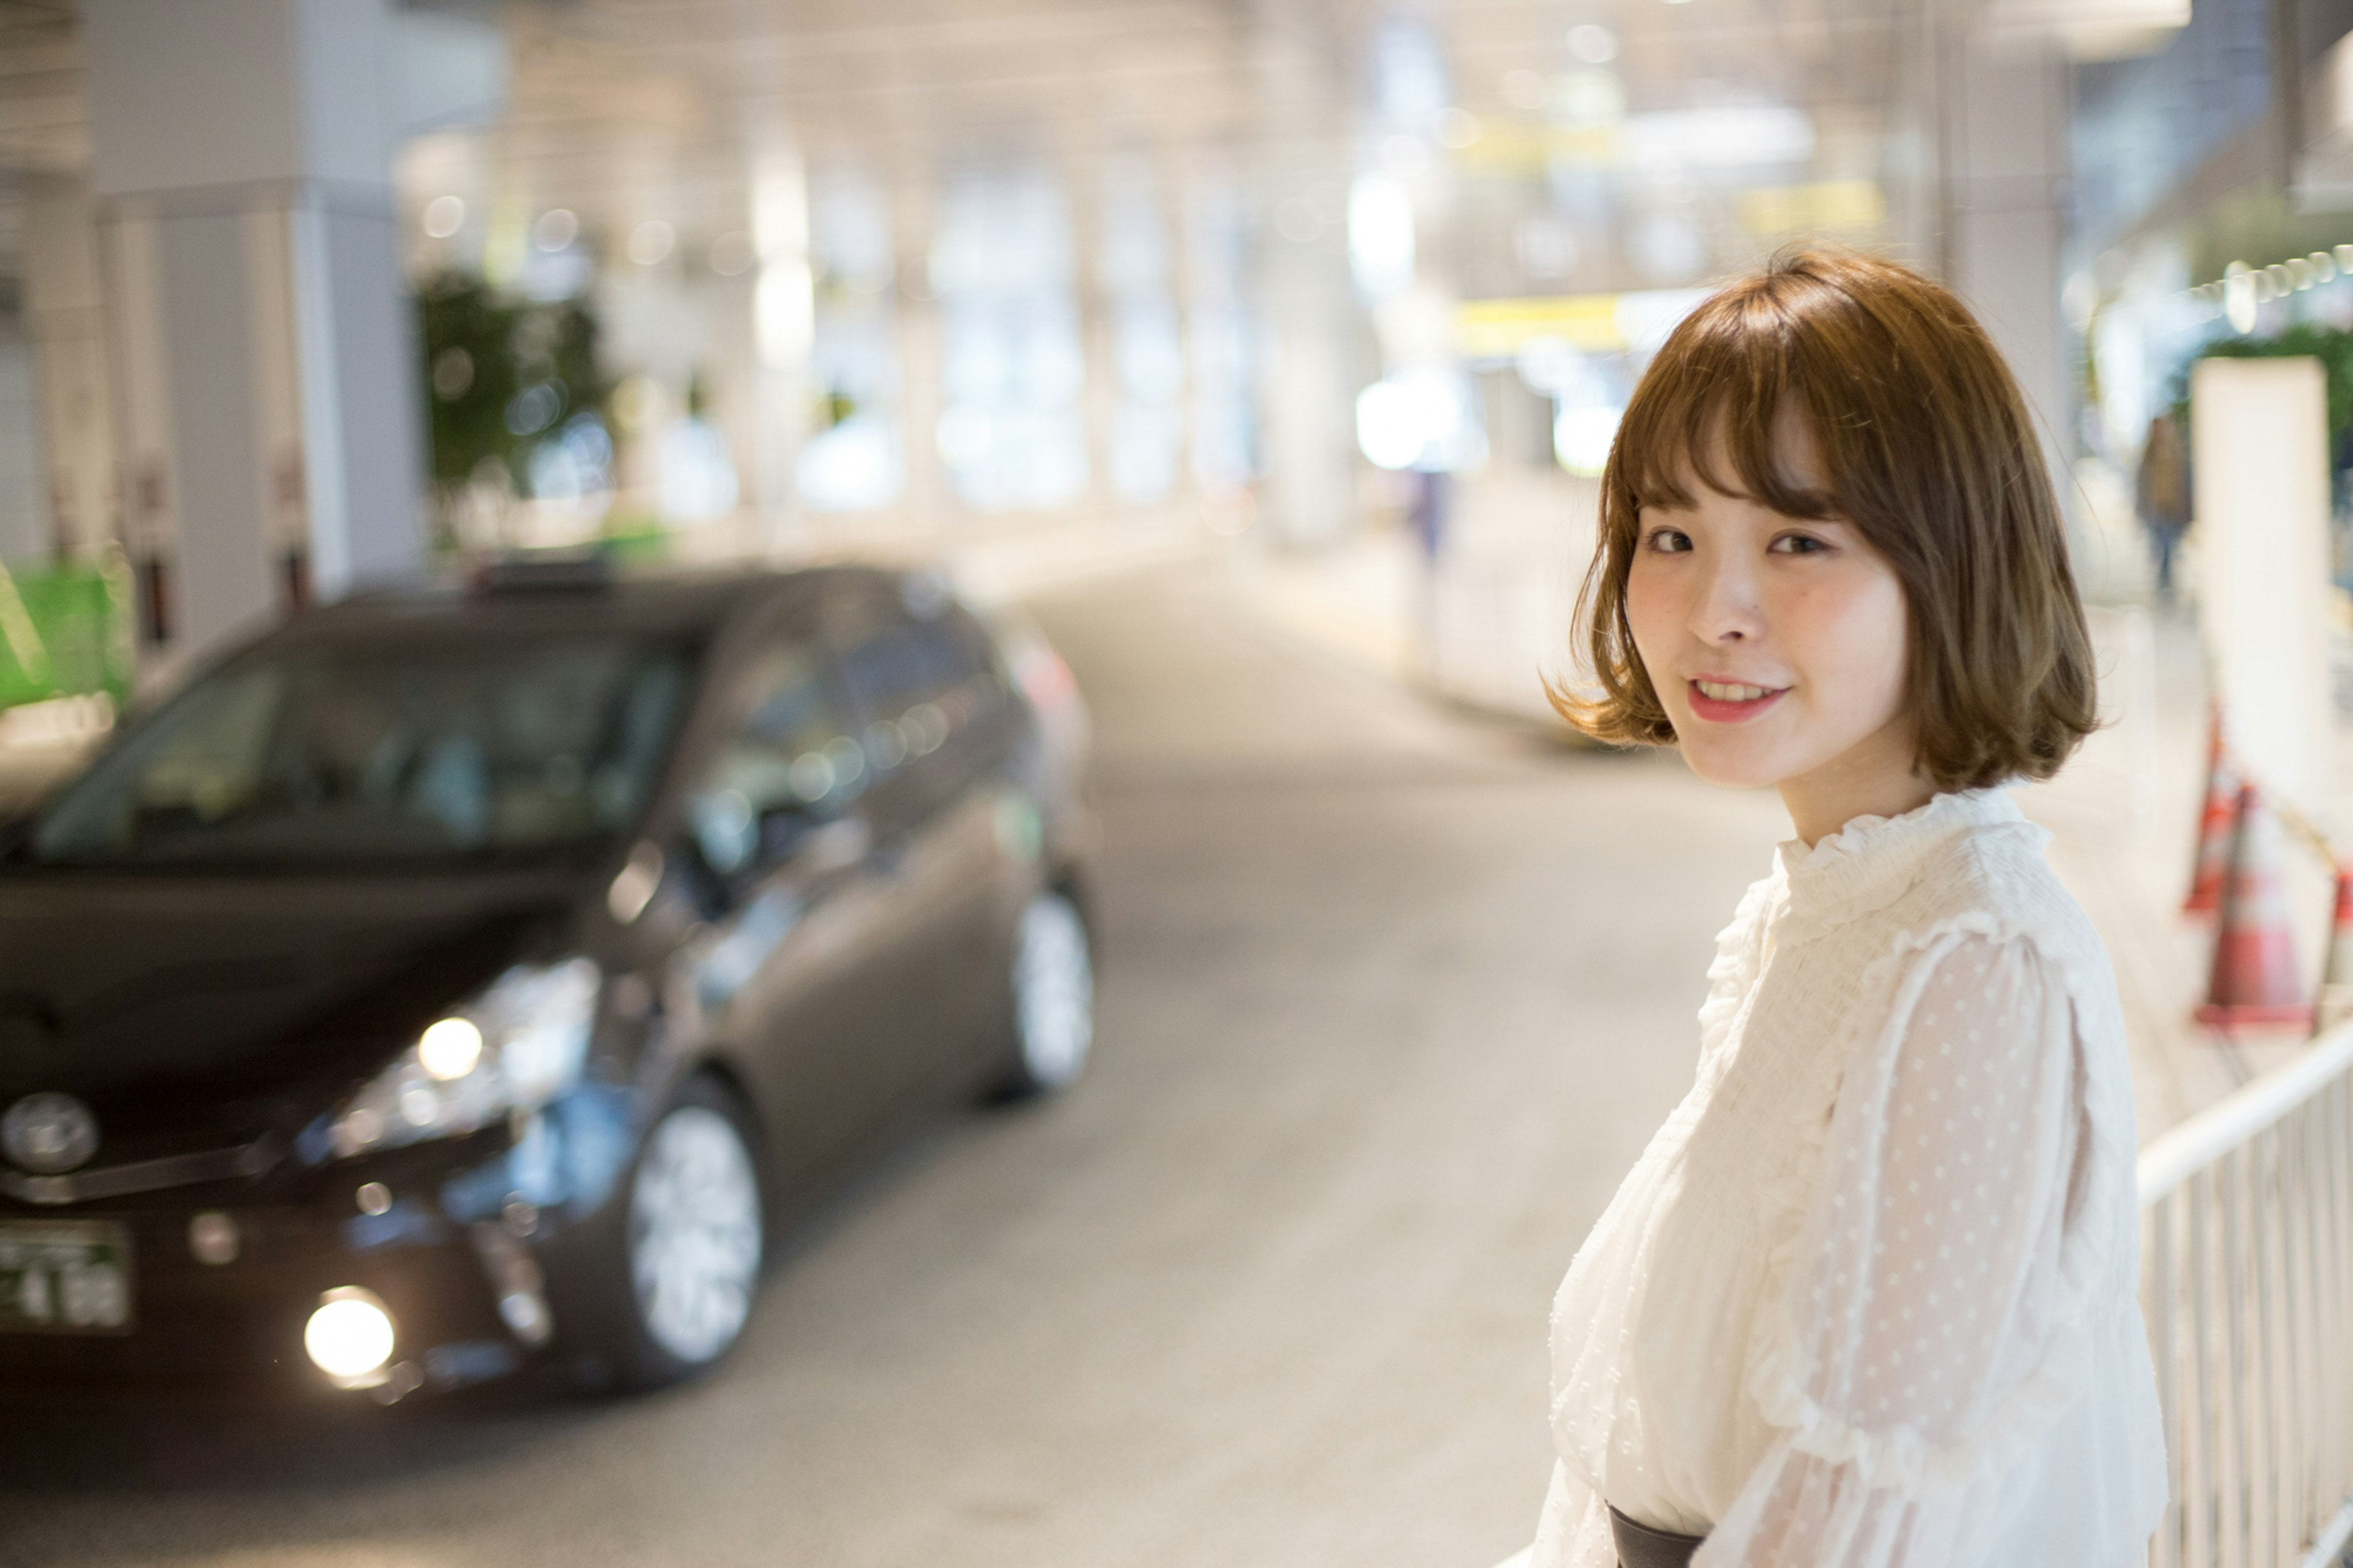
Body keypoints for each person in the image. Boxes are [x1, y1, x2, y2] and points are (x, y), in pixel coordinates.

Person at [1531, 250, 2167, 1567]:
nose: (1715, 610)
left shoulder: (1976, 959)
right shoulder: (1837, 902)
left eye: (1798, 540)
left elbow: (1859, 1520)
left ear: (1951, 562)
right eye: (1671, 536)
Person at [2134, 412, 2189, 605]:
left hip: (2171, 510)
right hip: (2155, 511)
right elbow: (2142, 484)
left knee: (2169, 548)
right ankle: (2163, 585)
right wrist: (2140, 511)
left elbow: (2182, 483)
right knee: (2159, 548)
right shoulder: (2149, 456)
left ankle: (2166, 585)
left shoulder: (2176, 454)